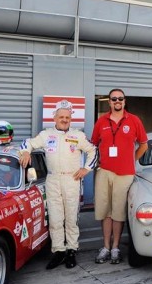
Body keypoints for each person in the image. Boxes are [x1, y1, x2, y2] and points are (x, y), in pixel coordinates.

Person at [19, 100, 98, 270]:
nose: (64, 120)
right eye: (61, 117)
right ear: (54, 118)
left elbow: (93, 151)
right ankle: (58, 251)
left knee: (71, 218)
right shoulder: (46, 135)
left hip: (72, 180)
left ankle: (71, 250)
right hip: (53, 179)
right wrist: (25, 151)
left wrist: (86, 168)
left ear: (71, 119)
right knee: (55, 218)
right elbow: (28, 143)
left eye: (67, 117)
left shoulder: (78, 135)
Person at [92, 89, 148, 264]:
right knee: (105, 211)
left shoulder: (134, 120)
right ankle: (106, 247)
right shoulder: (101, 121)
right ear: (109, 102)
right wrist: (97, 163)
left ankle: (115, 247)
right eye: (114, 99)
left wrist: (131, 160)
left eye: (120, 99)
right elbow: (93, 144)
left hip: (125, 174)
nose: (117, 101)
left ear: (124, 101)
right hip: (104, 172)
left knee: (118, 212)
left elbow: (144, 145)